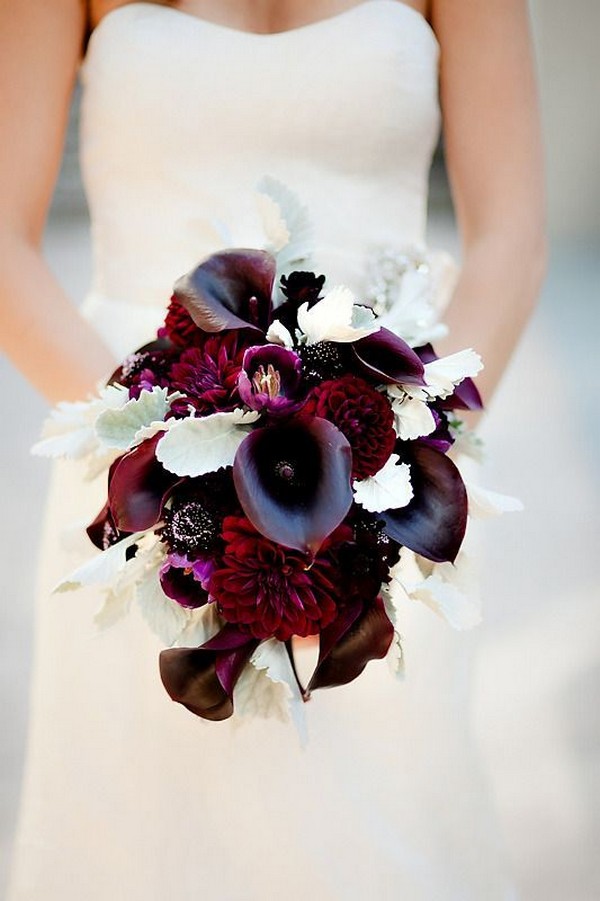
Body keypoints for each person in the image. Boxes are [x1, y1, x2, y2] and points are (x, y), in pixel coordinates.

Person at [1, 1, 546, 898]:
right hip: (132, 489)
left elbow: (511, 237)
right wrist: (160, 459)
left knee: (386, 838)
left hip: (388, 491)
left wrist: (414, 456)